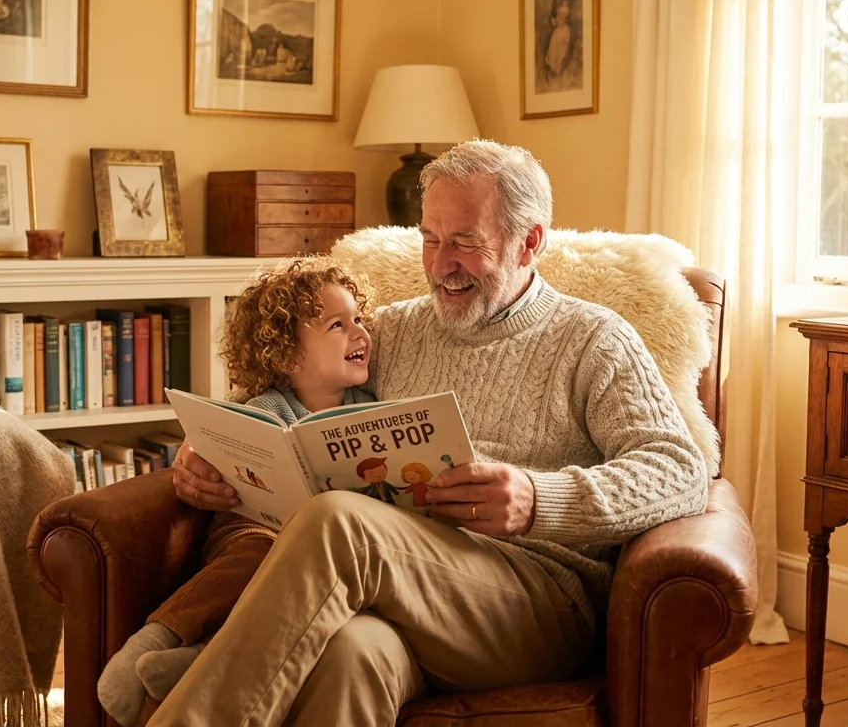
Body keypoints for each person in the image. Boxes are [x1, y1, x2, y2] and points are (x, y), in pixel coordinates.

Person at [151, 139, 710, 726]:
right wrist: (204, 454)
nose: (442, 264)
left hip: (535, 603)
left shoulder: (594, 339)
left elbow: (678, 468)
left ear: (530, 242)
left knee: (339, 520)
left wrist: (538, 498)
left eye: (466, 242)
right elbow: (276, 404)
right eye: (430, 239)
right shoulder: (390, 332)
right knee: (352, 654)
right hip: (399, 599)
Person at [96, 255, 377, 726]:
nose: (360, 333)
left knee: (319, 590)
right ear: (288, 357)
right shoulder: (262, 408)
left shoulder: (370, 408)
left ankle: (203, 657)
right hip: (252, 530)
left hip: (329, 551)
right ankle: (156, 639)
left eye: (358, 319)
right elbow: (211, 439)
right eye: (337, 325)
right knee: (259, 556)